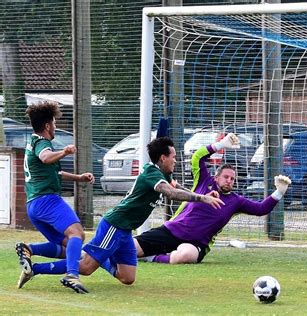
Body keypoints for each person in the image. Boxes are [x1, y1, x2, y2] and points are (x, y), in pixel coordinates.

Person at [18, 136, 224, 293]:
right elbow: (171, 193)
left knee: (127, 277)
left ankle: (99, 256)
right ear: (163, 158)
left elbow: (178, 188)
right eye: (174, 157)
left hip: (125, 230)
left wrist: (203, 194)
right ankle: (36, 269)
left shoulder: (163, 174)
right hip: (114, 224)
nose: (176, 161)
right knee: (87, 267)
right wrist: (203, 199)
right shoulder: (152, 173)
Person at [133, 132, 291, 264]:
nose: (229, 181)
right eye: (226, 177)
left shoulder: (236, 201)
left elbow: (261, 208)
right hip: (172, 231)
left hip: (196, 243)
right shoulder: (203, 181)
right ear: (216, 177)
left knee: (185, 256)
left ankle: (152, 257)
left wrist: (279, 192)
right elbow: (197, 157)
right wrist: (220, 144)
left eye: (232, 179)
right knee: (130, 248)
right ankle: (146, 252)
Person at [16, 101, 95, 293]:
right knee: (77, 234)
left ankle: (29, 251)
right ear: (47, 126)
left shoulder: (33, 142)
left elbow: (55, 173)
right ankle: (71, 275)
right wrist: (65, 151)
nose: (56, 127)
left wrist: (79, 178)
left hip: (34, 205)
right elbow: (45, 157)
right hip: (47, 200)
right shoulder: (42, 143)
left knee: (68, 244)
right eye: (54, 123)